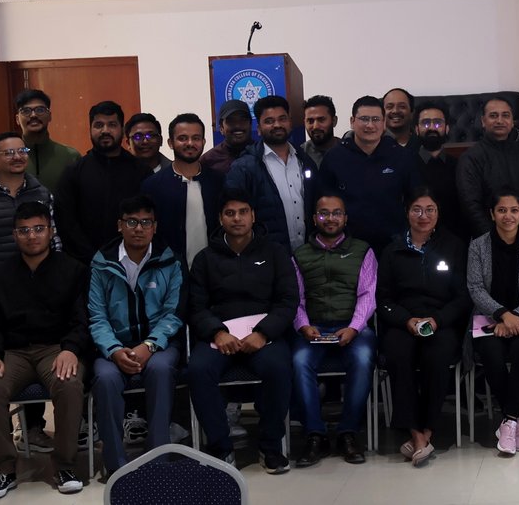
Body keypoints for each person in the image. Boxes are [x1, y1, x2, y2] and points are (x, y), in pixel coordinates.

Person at [0, 201, 89, 498]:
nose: (32, 236)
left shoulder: (73, 270)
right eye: (24, 230)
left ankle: (65, 466)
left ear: (51, 231)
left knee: (69, 384)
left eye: (38, 229)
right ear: (15, 235)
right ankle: (2, 471)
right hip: (14, 353)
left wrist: (71, 349)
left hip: (57, 349)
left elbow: (83, 319)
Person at [185, 190, 298, 473]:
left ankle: (270, 447)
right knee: (198, 370)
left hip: (263, 335)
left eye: (243, 212)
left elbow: (287, 301)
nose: (237, 218)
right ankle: (220, 449)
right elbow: (196, 307)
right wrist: (217, 333)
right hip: (220, 337)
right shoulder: (205, 259)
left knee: (279, 367)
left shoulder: (275, 253)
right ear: (220, 219)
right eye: (230, 213)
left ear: (253, 216)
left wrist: (263, 333)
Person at [0, 132, 60, 455]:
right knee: (1, 371)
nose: (17, 157)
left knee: (39, 352)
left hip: (42, 294)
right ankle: (2, 445)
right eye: (8, 152)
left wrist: (52, 281)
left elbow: (55, 240)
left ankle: (33, 429)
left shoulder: (41, 193)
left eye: (22, 150)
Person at [87, 195, 183, 477]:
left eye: (145, 222)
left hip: (158, 344)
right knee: (105, 378)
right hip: (114, 346)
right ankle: (115, 465)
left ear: (155, 227)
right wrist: (114, 350)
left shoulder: (170, 261)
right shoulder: (101, 264)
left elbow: (174, 313)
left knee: (161, 370)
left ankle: (158, 458)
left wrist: (150, 345)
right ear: (120, 225)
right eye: (131, 222)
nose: (138, 228)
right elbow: (97, 316)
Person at [376, 188, 470, 466]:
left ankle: (426, 430)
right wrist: (406, 320)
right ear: (407, 213)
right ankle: (415, 432)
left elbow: (462, 297)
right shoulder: (392, 250)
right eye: (417, 209)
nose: (423, 216)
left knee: (437, 357)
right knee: (398, 355)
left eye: (430, 210)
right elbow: (383, 299)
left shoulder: (453, 246)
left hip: (440, 322)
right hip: (403, 321)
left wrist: (437, 320)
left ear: (438, 213)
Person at [290, 194, 377, 467]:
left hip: (352, 327)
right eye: (324, 213)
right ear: (314, 218)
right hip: (313, 328)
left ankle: (347, 432)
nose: (330, 219)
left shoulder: (363, 250)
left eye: (336, 213)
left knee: (363, 359)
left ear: (345, 218)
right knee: (298, 362)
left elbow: (368, 295)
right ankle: (315, 434)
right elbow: (295, 299)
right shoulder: (299, 255)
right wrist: (304, 325)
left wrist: (353, 328)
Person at [466, 189, 519, 456]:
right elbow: (475, 288)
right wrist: (503, 315)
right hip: (489, 318)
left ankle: (509, 420)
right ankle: (515, 420)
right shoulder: (478, 246)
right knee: (491, 352)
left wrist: (516, 317)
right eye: (502, 210)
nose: (508, 216)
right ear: (492, 214)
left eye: (514, 210)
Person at [317, 95, 422, 248]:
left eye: (376, 119)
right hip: (348, 247)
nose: (370, 125)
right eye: (364, 119)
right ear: (352, 121)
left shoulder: (402, 157)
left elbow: (415, 200)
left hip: (394, 245)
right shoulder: (334, 158)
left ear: (384, 123)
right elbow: (324, 204)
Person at [55, 100, 151, 262]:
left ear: (122, 129)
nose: (105, 130)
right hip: (85, 263)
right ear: (90, 129)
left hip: (132, 262)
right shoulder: (74, 172)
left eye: (112, 125)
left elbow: (148, 219)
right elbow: (66, 223)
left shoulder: (141, 172)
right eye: (98, 125)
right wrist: (93, 259)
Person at [224, 95, 320, 251]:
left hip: (307, 255)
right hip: (267, 258)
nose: (277, 125)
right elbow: (234, 218)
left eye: (282, 119)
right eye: (269, 121)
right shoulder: (244, 167)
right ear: (258, 129)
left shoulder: (305, 161)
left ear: (290, 122)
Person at [142, 113, 224, 266]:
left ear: (203, 142)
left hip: (214, 269)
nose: (190, 143)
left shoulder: (218, 182)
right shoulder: (153, 186)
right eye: (182, 138)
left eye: (196, 138)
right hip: (169, 270)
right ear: (170, 143)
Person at [457, 96, 519, 236]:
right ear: (483, 121)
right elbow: (471, 205)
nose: (500, 121)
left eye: (505, 115)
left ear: (512, 122)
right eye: (493, 116)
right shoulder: (470, 158)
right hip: (488, 237)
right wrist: (495, 239)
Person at [415, 102, 469, 239]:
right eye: (425, 123)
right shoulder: (406, 165)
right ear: (416, 129)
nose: (432, 128)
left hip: (454, 240)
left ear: (447, 128)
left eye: (438, 123)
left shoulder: (460, 165)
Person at [12, 89, 81, 190]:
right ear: (17, 119)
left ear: (49, 116)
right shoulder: (5, 159)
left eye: (40, 110)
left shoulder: (71, 157)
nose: (33, 115)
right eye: (26, 111)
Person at [200, 100, 254, 175]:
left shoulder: (263, 155)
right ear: (221, 128)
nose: (238, 125)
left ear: (250, 125)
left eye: (243, 120)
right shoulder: (208, 161)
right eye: (231, 121)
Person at [300, 95, 340, 164]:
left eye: (321, 120)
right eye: (310, 121)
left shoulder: (349, 152)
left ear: (334, 121)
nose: (315, 126)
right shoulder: (299, 155)